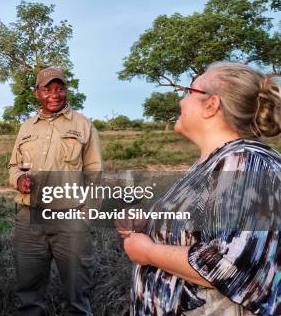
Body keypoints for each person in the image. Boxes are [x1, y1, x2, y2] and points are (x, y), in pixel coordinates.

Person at [119, 62, 280, 315]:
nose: (181, 102)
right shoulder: (216, 163)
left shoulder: (248, 164)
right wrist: (150, 224)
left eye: (188, 91)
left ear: (211, 105)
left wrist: (149, 252)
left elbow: (230, 266)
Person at [8, 67, 103, 315]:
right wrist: (18, 179)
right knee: (28, 290)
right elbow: (14, 165)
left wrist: (87, 215)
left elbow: (94, 171)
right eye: (47, 89)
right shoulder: (27, 127)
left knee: (77, 291)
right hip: (29, 217)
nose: (54, 94)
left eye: (59, 88)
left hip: (70, 217)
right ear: (36, 93)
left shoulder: (83, 124)